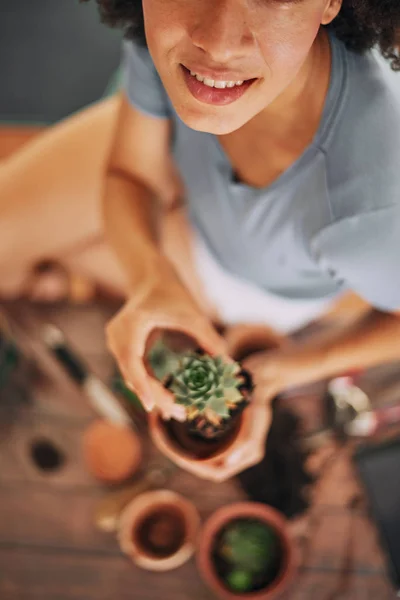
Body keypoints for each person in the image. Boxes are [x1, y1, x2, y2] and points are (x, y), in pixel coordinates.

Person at [1, 0, 400, 480]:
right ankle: (72, 277)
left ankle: (68, 278)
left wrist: (281, 371)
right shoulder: (168, 39)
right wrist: (151, 280)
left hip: (239, 272)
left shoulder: (376, 208)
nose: (216, 41)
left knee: (33, 265)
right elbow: (132, 172)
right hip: (172, 152)